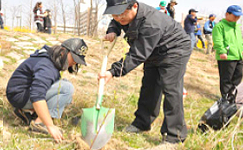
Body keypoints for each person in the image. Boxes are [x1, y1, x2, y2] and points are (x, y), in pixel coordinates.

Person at [100, 0, 192, 145]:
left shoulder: (151, 23)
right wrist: (113, 30)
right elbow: (117, 21)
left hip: (174, 49)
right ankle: (142, 123)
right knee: (149, 86)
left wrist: (113, 71)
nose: (119, 18)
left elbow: (137, 54)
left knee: (170, 88)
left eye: (122, 14)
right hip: (154, 51)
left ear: (134, 6)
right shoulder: (123, 15)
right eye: (115, 14)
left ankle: (174, 137)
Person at [6, 38, 88, 143]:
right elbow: (37, 96)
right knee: (66, 88)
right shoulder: (47, 66)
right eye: (74, 58)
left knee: (65, 91)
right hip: (20, 95)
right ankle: (39, 124)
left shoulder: (51, 58)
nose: (75, 62)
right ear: (63, 51)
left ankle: (29, 113)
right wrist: (50, 126)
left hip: (20, 93)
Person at [212, 5, 243, 102]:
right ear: (227, 14)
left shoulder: (237, 27)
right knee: (226, 78)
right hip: (227, 56)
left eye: (239, 16)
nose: (237, 18)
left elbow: (239, 41)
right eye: (235, 15)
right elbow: (217, 40)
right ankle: (225, 98)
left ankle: (233, 95)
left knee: (239, 75)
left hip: (238, 55)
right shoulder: (219, 26)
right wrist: (222, 51)